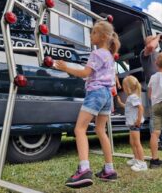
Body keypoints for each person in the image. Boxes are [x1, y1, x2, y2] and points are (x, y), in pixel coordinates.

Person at [54, 20, 120, 188]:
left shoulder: (97, 54)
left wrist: (65, 68)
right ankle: (109, 170)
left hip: (96, 93)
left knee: (80, 129)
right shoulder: (110, 57)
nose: (91, 36)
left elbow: (85, 72)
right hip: (107, 95)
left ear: (103, 36)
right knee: (100, 130)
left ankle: (84, 169)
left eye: (93, 33)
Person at [117, 75, 148, 172]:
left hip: (135, 124)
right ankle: (136, 159)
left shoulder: (133, 97)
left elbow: (140, 108)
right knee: (132, 142)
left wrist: (138, 120)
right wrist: (120, 102)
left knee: (137, 143)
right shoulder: (131, 97)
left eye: (124, 86)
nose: (123, 88)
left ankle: (142, 163)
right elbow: (127, 107)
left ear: (127, 87)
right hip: (131, 125)